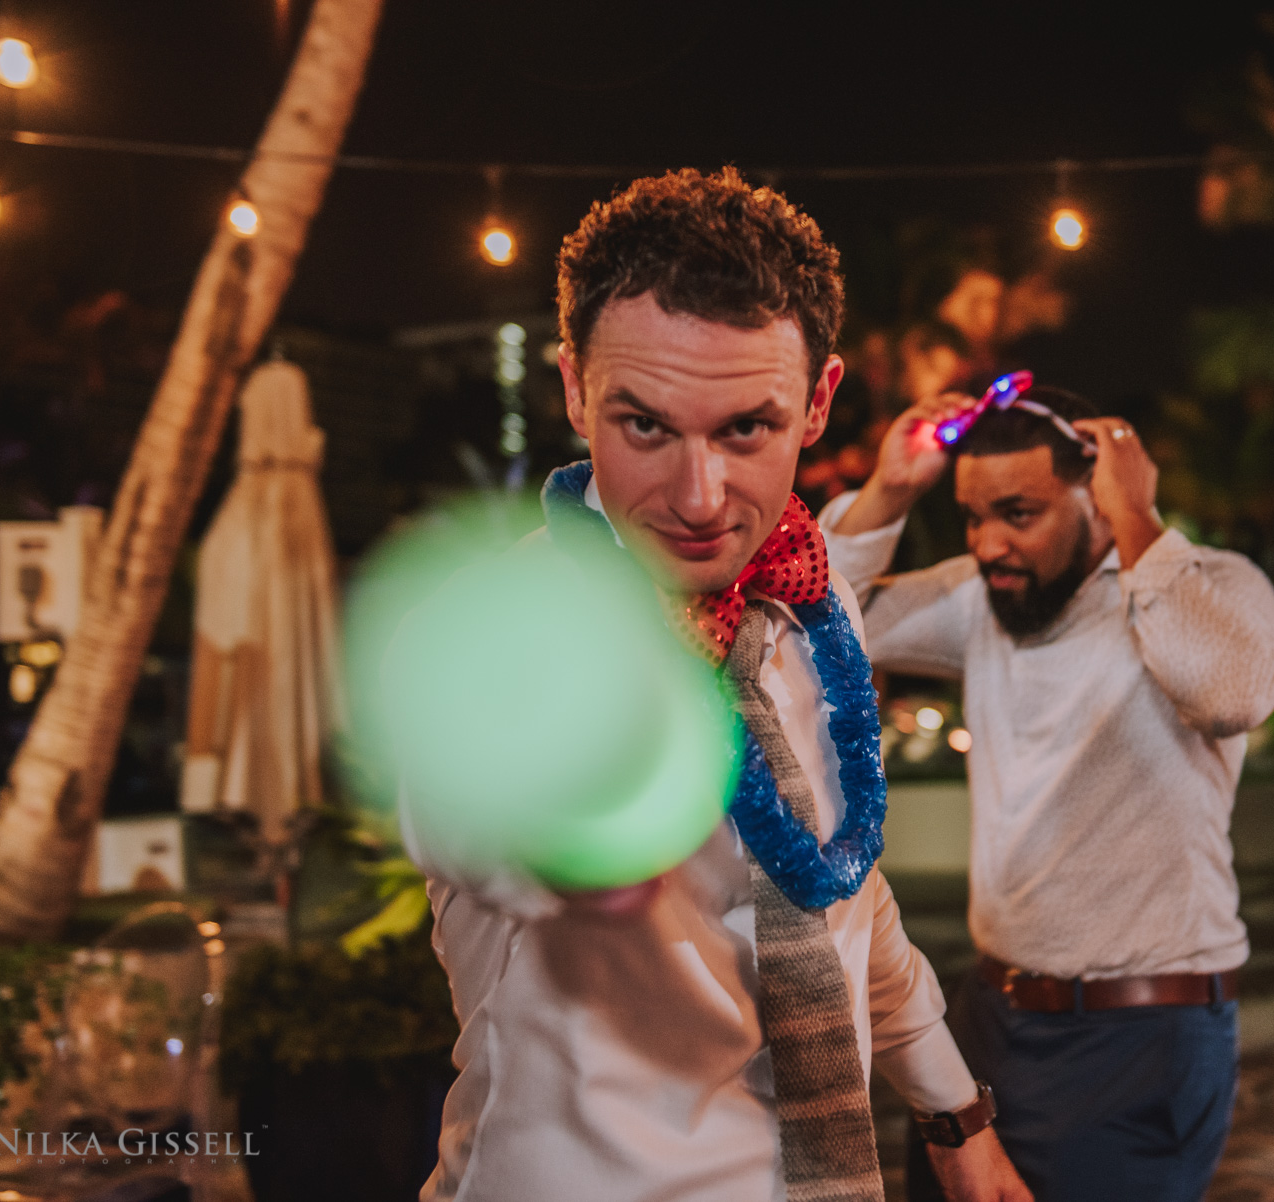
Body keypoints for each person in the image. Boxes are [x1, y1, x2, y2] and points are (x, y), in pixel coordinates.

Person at [403, 169, 1031, 1202]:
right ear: (572, 388)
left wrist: (957, 1117)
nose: (698, 498)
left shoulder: (807, 618)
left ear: (820, 403)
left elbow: (844, 893)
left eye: (747, 428)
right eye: (644, 424)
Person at [818, 380, 1274, 1201]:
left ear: (1098, 496)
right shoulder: (981, 601)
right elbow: (818, 614)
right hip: (987, 1025)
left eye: (1019, 514)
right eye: (973, 517)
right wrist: (889, 492)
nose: (990, 543)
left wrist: (1139, 520)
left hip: (1144, 1037)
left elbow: (1232, 694)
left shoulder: (1214, 583)